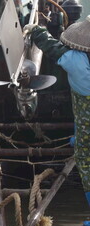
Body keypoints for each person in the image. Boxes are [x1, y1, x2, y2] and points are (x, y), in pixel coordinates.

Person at [29, 20, 90, 211]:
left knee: (84, 158)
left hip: (85, 115)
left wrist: (37, 31)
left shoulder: (75, 60)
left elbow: (53, 48)